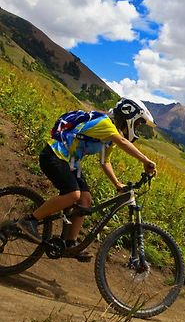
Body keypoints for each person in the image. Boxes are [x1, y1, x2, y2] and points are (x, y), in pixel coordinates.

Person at [16, 98, 157, 257]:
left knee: (85, 200)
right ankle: (30, 220)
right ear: (129, 115)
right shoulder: (105, 124)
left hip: (70, 163)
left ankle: (70, 244)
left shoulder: (110, 138)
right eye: (138, 123)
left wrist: (117, 184)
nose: (137, 128)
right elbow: (123, 141)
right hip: (54, 155)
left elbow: (105, 162)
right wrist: (145, 160)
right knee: (73, 194)